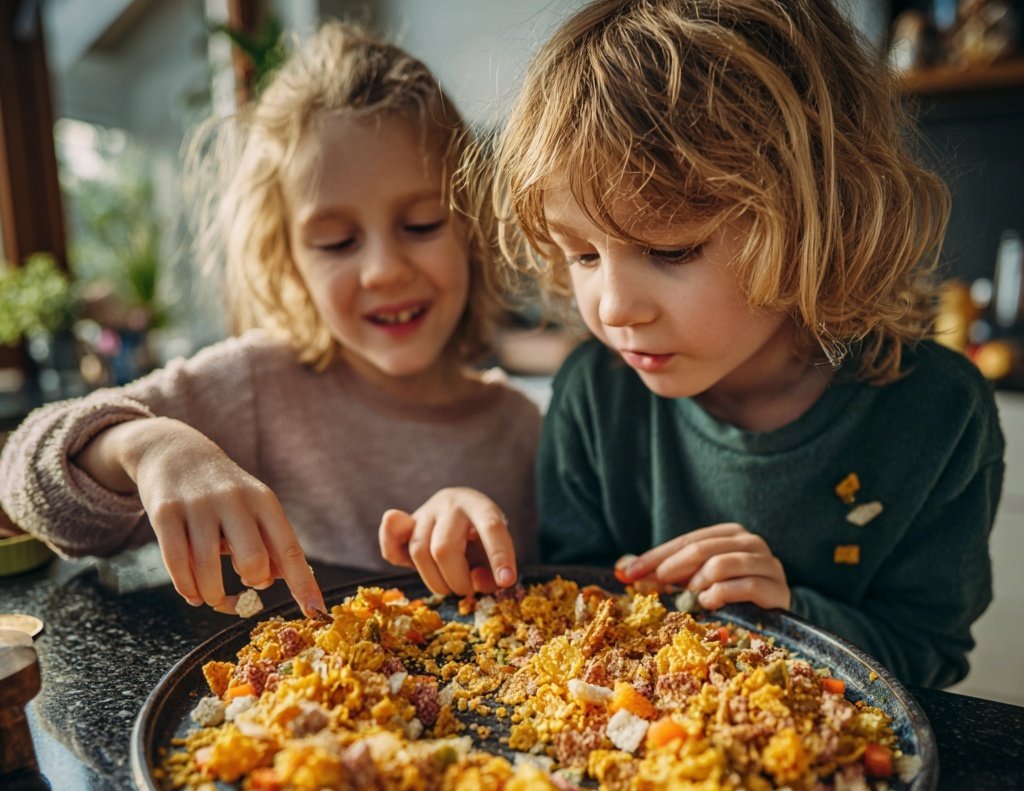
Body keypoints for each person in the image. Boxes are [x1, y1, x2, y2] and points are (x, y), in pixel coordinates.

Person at [380, 0, 1005, 689]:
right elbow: (569, 607)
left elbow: (930, 653)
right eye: (583, 255)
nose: (614, 308)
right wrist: (485, 558)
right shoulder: (595, 393)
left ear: (815, 213)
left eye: (667, 249)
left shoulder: (938, 415)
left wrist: (792, 614)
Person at [0, 22, 540, 617]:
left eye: (421, 226)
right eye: (336, 242)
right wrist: (148, 448)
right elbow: (25, 481)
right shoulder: (258, 385)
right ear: (286, 257)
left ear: (472, 228)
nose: (384, 270)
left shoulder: (523, 429)